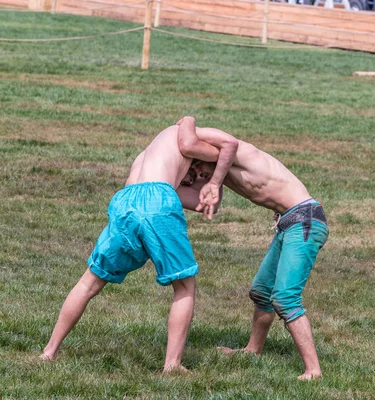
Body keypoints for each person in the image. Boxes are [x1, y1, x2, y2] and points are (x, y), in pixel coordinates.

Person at [40, 121, 239, 374]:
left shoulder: (153, 153)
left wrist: (208, 188)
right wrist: (215, 180)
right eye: (200, 172)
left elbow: (201, 204)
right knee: (185, 285)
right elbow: (226, 148)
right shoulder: (188, 138)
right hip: (157, 199)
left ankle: (49, 351)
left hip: (124, 201)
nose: (197, 177)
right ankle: (172, 365)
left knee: (89, 281)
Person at [177, 116, 329, 380]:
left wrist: (185, 126)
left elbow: (223, 141)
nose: (198, 177)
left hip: (305, 220)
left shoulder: (222, 148)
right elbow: (209, 198)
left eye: (195, 171)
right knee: (261, 292)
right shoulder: (218, 167)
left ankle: (313, 370)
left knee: (285, 298)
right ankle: (253, 350)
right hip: (289, 222)